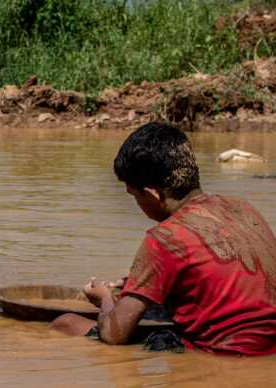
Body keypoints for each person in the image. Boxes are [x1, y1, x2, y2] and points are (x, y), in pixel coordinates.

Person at [52, 122, 276, 356]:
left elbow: (113, 335)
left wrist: (105, 298)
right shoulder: (243, 209)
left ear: (152, 194)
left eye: (134, 196)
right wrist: (133, 282)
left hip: (226, 357)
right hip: (270, 349)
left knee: (66, 322)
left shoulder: (165, 237)